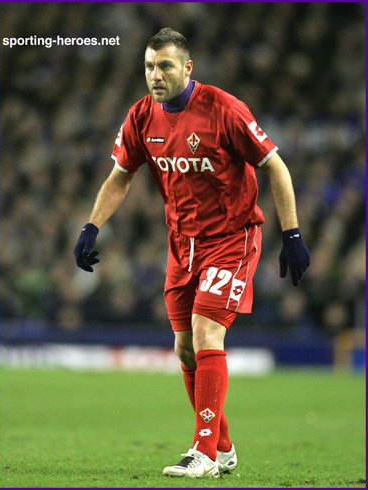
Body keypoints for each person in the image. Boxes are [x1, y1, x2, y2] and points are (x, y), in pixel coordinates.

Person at [73, 27, 310, 478]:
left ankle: (201, 452)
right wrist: (91, 226)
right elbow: (121, 175)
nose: (154, 75)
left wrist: (293, 234)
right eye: (148, 66)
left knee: (205, 333)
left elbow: (274, 165)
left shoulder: (225, 110)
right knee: (184, 349)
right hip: (182, 245)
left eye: (164, 65)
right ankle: (222, 447)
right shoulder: (142, 116)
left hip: (231, 238)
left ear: (187, 67)